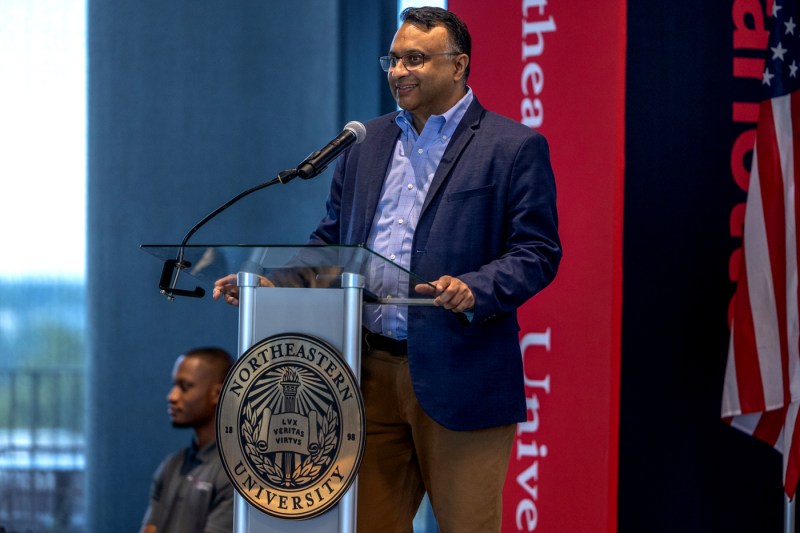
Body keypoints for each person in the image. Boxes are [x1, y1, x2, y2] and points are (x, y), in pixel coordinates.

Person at [213, 6, 561, 532]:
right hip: (367, 373)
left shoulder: (512, 148)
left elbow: (537, 251)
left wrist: (475, 286)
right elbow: (332, 241)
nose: (399, 72)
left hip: (460, 372)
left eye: (415, 59)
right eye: (394, 60)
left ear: (459, 64)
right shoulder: (365, 144)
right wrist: (273, 284)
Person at [140, 347, 235, 533]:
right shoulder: (171, 466)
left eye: (184, 387)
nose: (172, 396)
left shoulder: (235, 473)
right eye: (174, 385)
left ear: (217, 393)